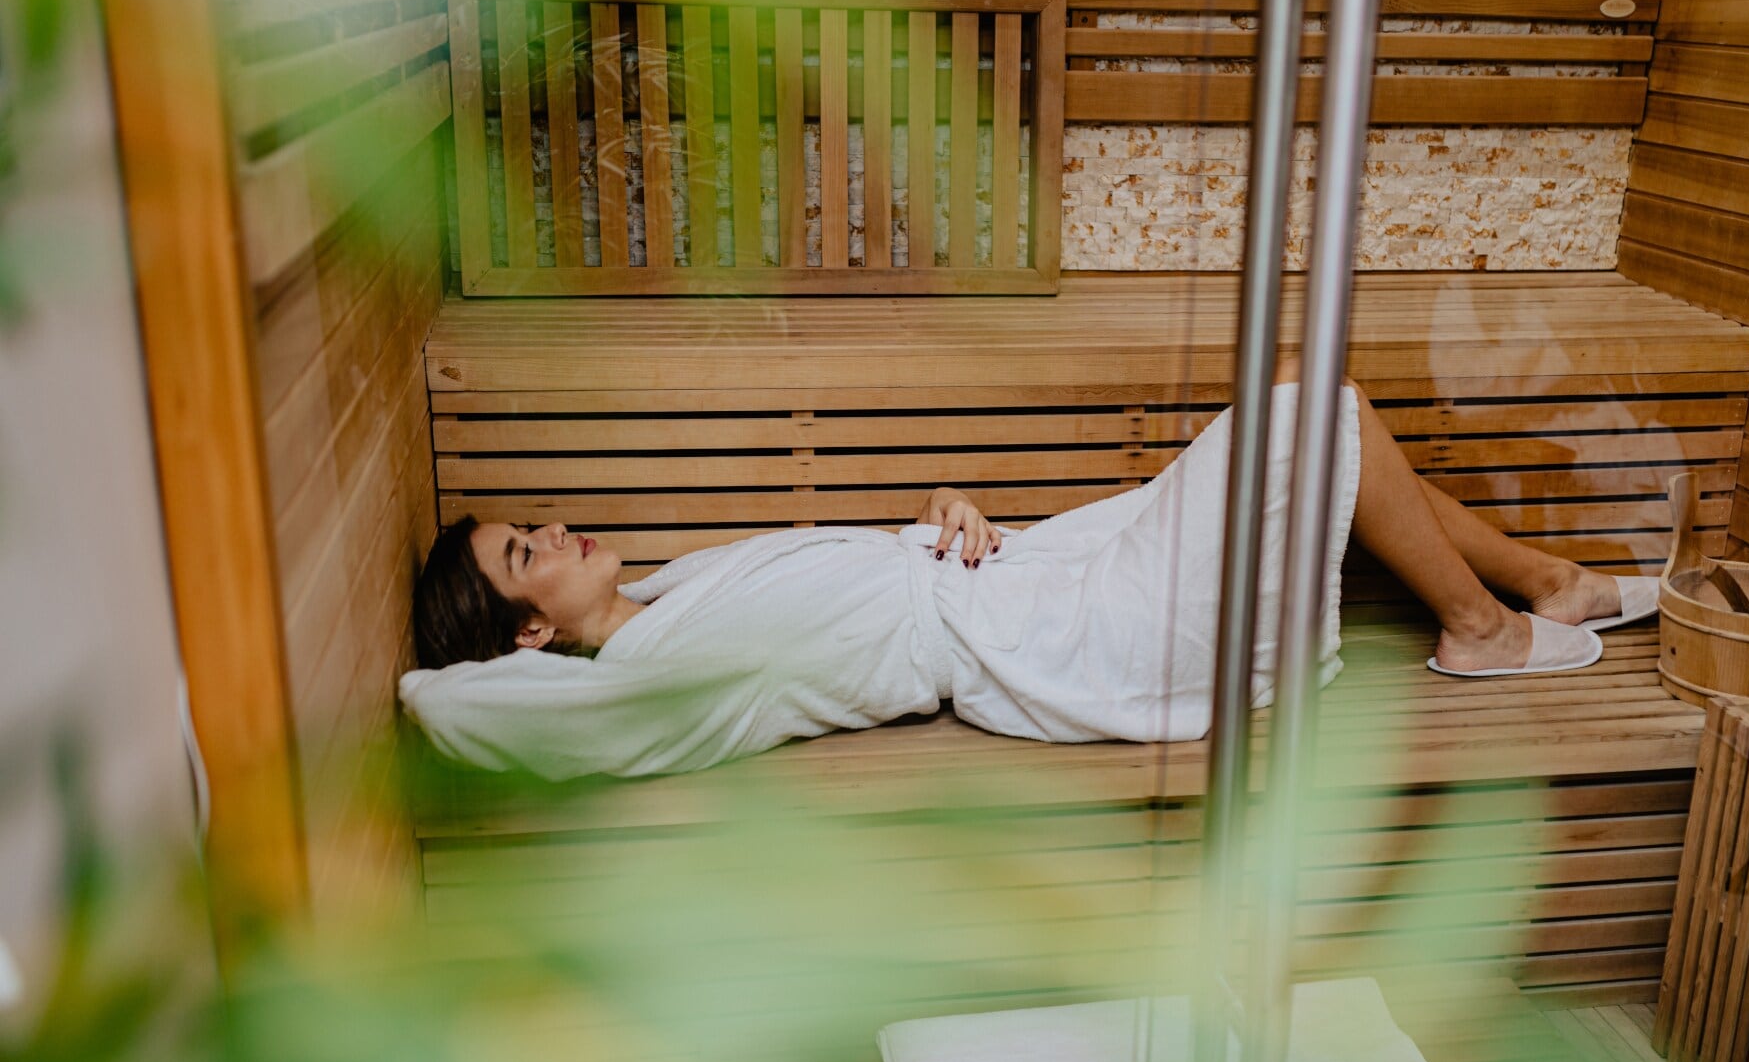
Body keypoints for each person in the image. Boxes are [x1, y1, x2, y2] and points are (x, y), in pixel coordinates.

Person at [402, 373, 1655, 780]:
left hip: (1028, 569)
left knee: (1316, 435)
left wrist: (936, 514)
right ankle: (1481, 626)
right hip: (1061, 637)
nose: (553, 530)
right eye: (525, 553)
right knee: (1307, 408)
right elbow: (447, 702)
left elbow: (845, 589)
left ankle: (1543, 581)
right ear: (527, 635)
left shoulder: (677, 595)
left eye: (531, 525)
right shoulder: (651, 681)